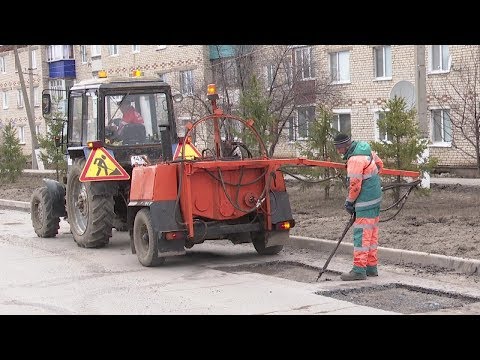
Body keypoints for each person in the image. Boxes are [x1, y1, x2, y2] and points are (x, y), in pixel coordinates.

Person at [333, 133, 384, 281]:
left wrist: (349, 202)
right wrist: (372, 180)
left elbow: (355, 185)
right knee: (371, 234)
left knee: (361, 236)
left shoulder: (354, 159)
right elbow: (380, 164)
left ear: (345, 146)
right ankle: (371, 267)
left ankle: (359, 270)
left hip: (365, 201)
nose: (338, 151)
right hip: (375, 199)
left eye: (339, 148)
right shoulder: (365, 149)